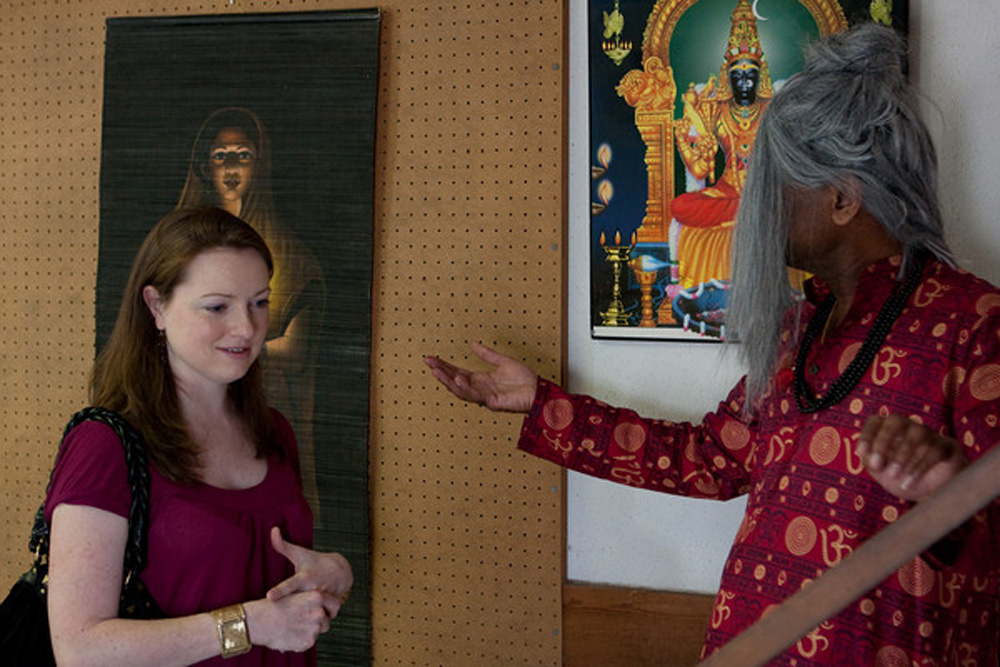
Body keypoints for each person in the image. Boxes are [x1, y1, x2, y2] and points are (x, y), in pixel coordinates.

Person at [425, 24, 1000, 666]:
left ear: (841, 200)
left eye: (776, 185)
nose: (756, 210)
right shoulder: (797, 332)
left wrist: (954, 496)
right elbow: (706, 459)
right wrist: (543, 405)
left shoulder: (974, 327)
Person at [46, 207, 352, 665]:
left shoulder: (274, 432)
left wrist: (335, 574)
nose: (246, 328)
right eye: (217, 307)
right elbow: (79, 649)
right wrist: (250, 625)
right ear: (156, 307)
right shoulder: (103, 444)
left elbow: (269, 580)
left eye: (260, 302)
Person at [176, 107, 324, 517]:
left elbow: (297, 352)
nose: (231, 166)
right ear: (204, 165)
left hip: (252, 428)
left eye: (243, 154)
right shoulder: (177, 253)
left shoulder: (292, 256)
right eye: (221, 155)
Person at [670, 0, 773, 289]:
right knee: (681, 205)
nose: (743, 83)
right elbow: (701, 170)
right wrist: (685, 140)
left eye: (750, 76)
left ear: (760, 76)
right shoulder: (716, 110)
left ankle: (752, 207)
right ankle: (747, 209)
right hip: (726, 190)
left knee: (787, 203)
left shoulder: (773, 109)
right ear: (728, 77)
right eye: (737, 76)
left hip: (764, 189)